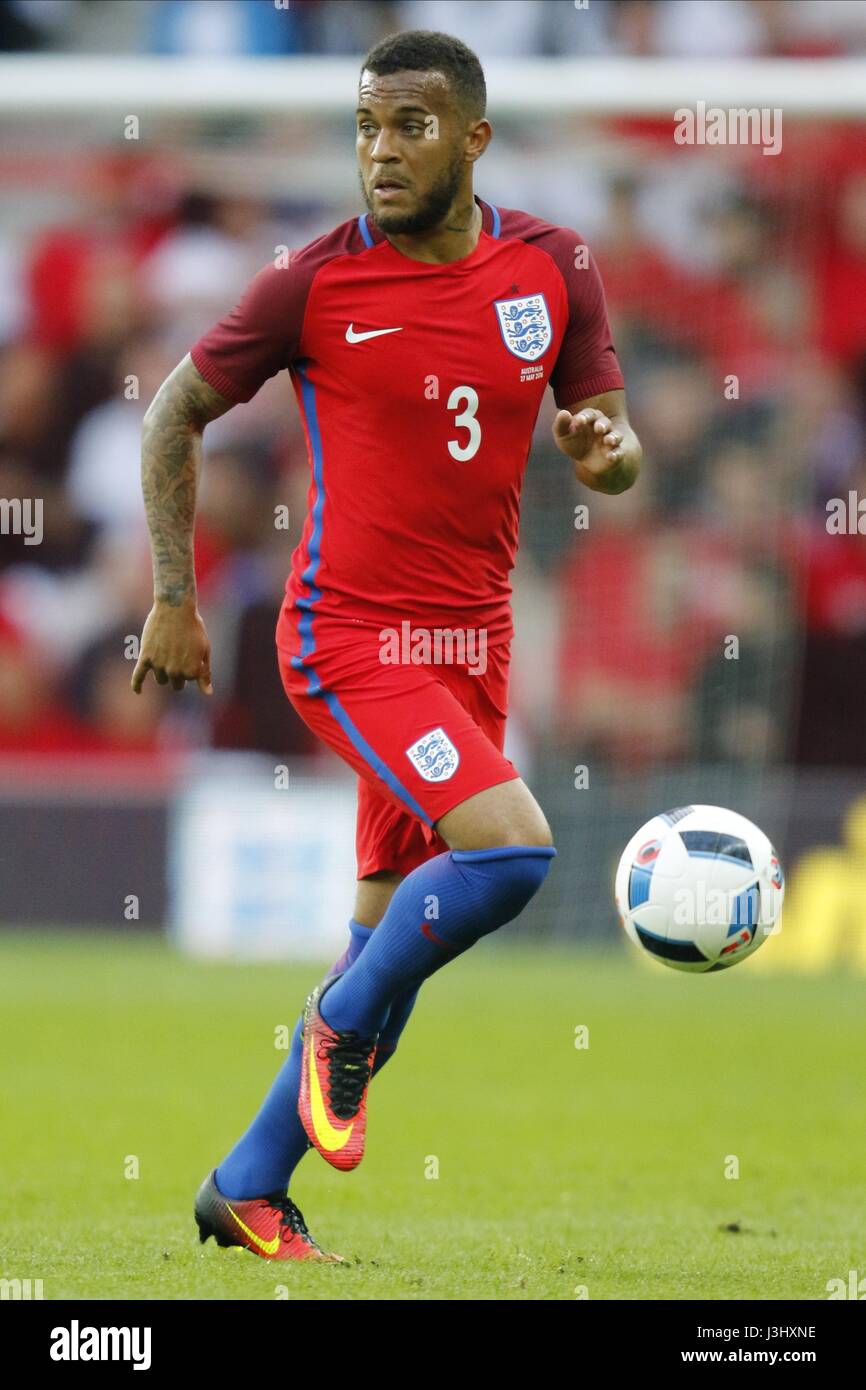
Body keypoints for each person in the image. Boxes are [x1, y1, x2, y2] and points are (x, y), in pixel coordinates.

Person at [132, 30, 641, 1263]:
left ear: (472, 138)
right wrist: (173, 595)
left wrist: (602, 456)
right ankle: (331, 1028)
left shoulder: (551, 266)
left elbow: (616, 449)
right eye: (364, 125)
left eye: (408, 126)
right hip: (349, 634)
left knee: (386, 938)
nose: (379, 151)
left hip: (473, 638)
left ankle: (244, 1181)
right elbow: (174, 411)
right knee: (512, 858)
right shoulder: (310, 285)